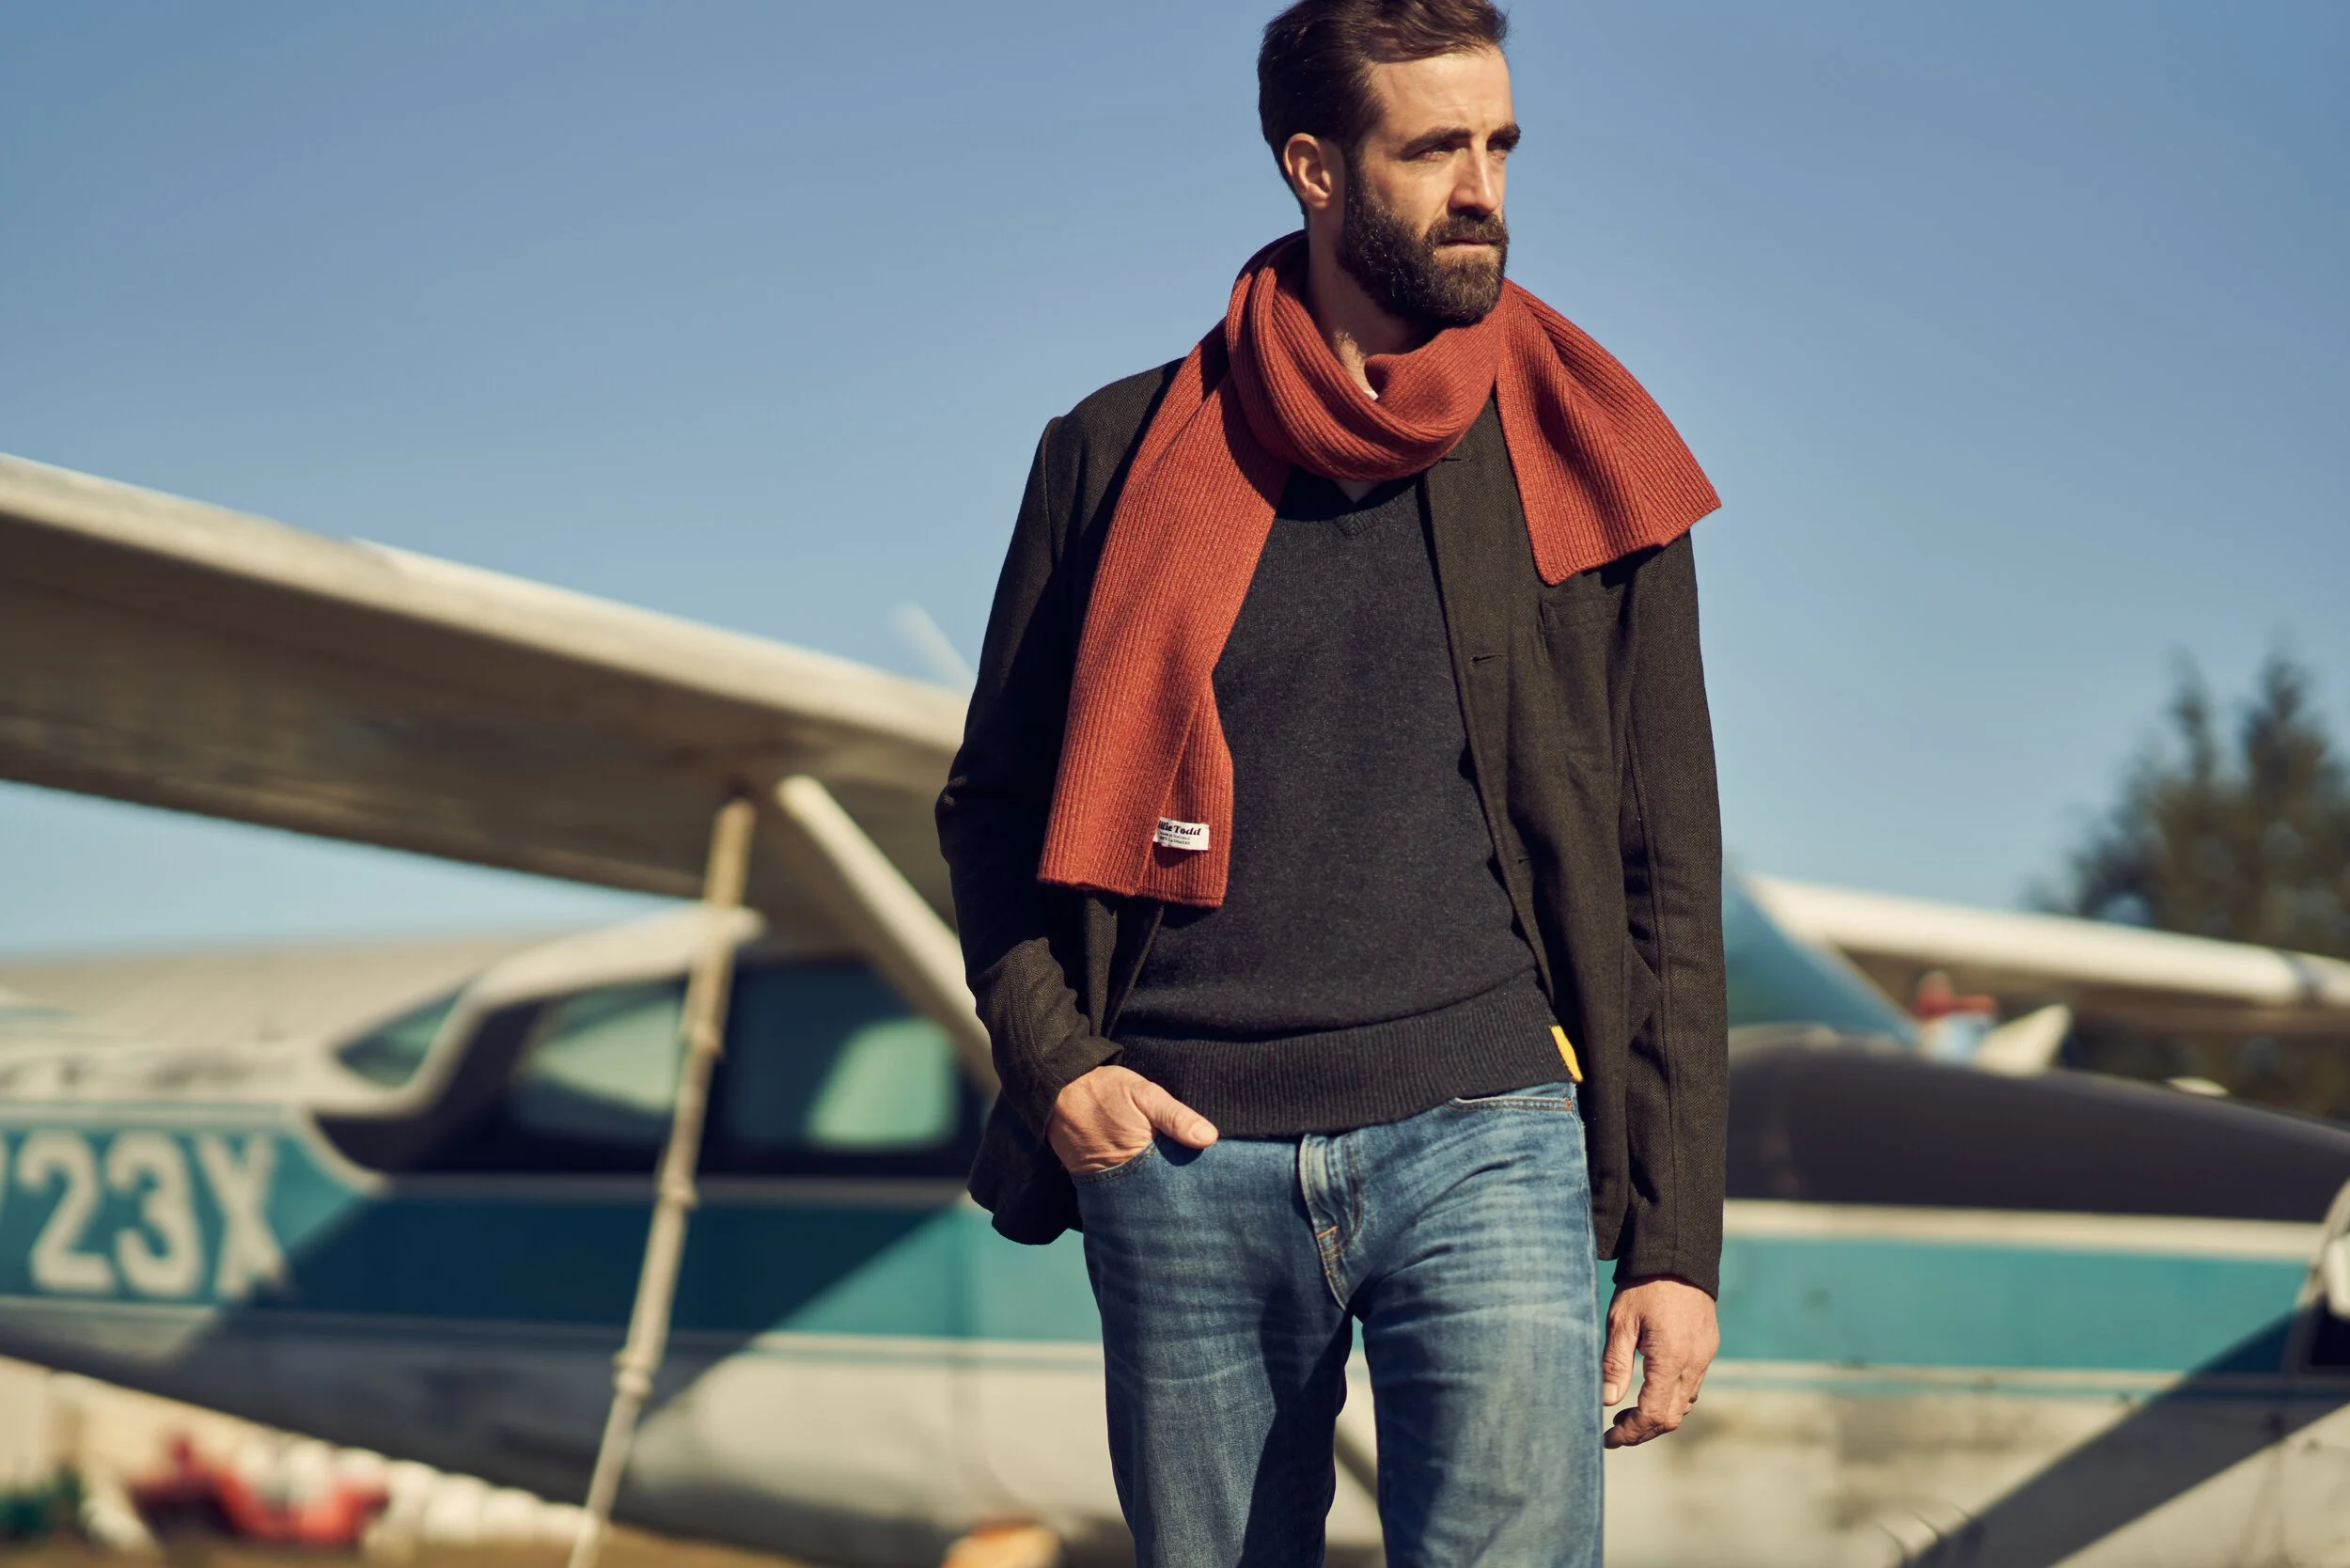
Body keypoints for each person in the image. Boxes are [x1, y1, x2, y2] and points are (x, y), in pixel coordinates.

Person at [937, 2, 1726, 1561]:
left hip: (1490, 1133)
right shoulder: (1109, 455)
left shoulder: (1585, 447)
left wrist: (1675, 1242)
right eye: (1434, 149)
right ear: (1313, 167)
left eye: (1499, 143)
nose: (1483, 186)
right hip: (1181, 1154)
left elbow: (1667, 869)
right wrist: (1060, 1062)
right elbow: (994, 804)